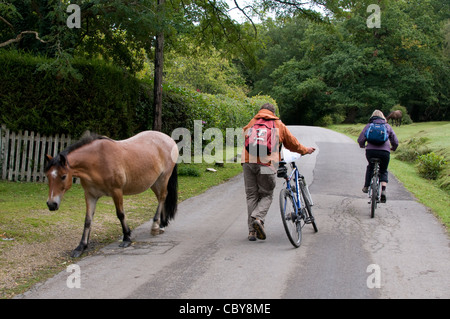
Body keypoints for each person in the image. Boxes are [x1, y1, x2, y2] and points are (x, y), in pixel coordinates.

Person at [241, 103, 315, 241]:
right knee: (267, 194)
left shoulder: (253, 121)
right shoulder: (278, 124)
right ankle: (258, 218)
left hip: (248, 162)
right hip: (266, 164)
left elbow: (244, 135)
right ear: (274, 112)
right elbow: (292, 143)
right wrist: (305, 150)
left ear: (261, 111)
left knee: (251, 195)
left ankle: (252, 232)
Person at [358, 110, 399, 203]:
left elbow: (360, 139)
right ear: (383, 117)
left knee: (370, 167)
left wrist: (362, 145)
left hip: (370, 151)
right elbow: (395, 141)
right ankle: (383, 190)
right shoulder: (387, 126)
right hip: (384, 152)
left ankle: (366, 186)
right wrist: (393, 148)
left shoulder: (369, 125)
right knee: (383, 170)